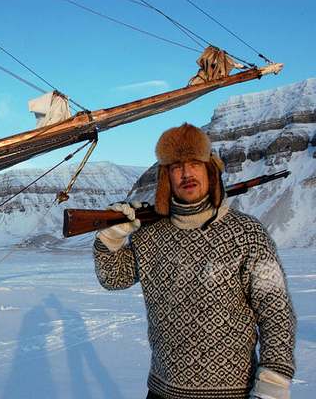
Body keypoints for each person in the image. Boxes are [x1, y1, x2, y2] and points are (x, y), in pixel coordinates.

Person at [93, 123, 296, 399]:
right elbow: (113, 278)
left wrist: (273, 383)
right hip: (162, 391)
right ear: (167, 178)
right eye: (176, 167)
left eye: (194, 164)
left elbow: (276, 312)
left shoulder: (248, 233)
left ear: (210, 170)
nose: (186, 173)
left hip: (233, 394)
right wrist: (111, 238)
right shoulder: (150, 235)